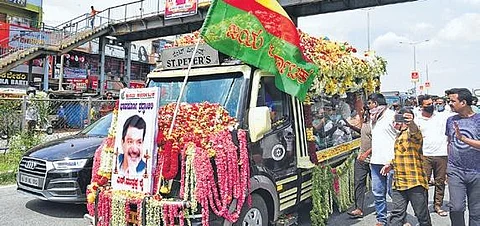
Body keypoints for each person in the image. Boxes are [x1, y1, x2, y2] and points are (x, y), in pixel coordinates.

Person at [388, 107, 432, 226]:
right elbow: (403, 155)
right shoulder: (399, 135)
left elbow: (415, 131)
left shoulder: (414, 133)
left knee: (422, 215)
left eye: (406, 118)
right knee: (397, 214)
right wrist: (391, 165)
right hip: (399, 182)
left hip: (414, 182)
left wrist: (411, 123)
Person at [444, 88, 480, 226]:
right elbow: (450, 143)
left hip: (476, 172)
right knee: (456, 208)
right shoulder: (450, 120)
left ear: (463, 102)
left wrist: (464, 139)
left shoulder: (478, 120)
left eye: (453, 101)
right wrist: (448, 167)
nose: (450, 104)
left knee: (476, 212)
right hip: (455, 171)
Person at [415, 95, 451, 217]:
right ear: (421, 106)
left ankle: (438, 205)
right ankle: (423, 207)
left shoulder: (442, 117)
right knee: (423, 183)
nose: (431, 106)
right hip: (425, 155)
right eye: (428, 104)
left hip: (441, 154)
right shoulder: (418, 119)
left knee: (440, 181)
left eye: (432, 103)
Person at [368, 93, 397, 226]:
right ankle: (382, 219)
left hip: (390, 161)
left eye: (370, 103)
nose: (368, 106)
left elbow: (401, 136)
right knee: (378, 193)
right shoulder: (373, 117)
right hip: (375, 161)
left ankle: (400, 218)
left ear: (375, 103)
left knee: (394, 192)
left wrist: (394, 160)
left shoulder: (392, 116)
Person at [347, 104, 372, 218]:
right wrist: (349, 126)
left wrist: (366, 153)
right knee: (359, 183)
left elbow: (379, 141)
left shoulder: (376, 123)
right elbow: (363, 133)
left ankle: (398, 210)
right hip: (361, 160)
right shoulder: (365, 122)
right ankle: (359, 209)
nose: (359, 111)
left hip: (374, 160)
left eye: (362, 110)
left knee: (381, 186)